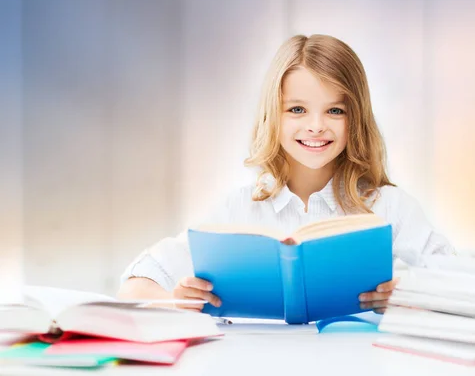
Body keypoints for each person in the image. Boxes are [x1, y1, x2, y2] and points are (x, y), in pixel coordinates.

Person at [118, 34, 455, 314]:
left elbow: (463, 287)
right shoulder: (238, 210)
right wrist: (176, 304)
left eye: (336, 110)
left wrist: (412, 297)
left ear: (357, 120)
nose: (316, 126)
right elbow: (135, 285)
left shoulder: (389, 208)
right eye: (297, 109)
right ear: (273, 116)